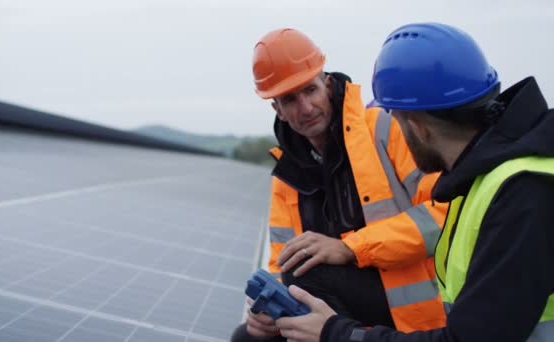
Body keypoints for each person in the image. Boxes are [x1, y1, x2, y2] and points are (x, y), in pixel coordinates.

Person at [274, 22, 554, 342]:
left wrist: (338, 334)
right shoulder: (493, 177)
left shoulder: (522, 193)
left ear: (418, 127)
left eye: (394, 118)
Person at [231, 28, 448, 342]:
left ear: (327, 83)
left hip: (416, 308)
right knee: (249, 336)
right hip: (339, 302)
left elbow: (443, 215)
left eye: (310, 90)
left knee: (308, 271)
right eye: (290, 99)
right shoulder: (287, 172)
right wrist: (266, 308)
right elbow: (281, 258)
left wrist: (349, 248)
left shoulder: (385, 129)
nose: (305, 108)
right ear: (277, 109)